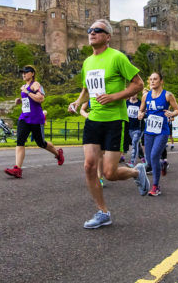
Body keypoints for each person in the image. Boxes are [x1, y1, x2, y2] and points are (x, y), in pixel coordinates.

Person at [67, 19, 148, 229]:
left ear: (108, 36)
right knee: (89, 166)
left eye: (97, 30)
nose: (92, 33)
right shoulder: (87, 62)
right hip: (94, 120)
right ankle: (103, 212)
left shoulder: (117, 57)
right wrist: (77, 102)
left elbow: (138, 84)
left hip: (115, 121)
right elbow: (86, 90)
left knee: (110, 173)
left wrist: (114, 97)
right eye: (90, 30)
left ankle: (136, 172)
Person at [4, 65, 65, 178]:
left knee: (41, 143)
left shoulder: (36, 85)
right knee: (20, 141)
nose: (23, 74)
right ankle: (17, 169)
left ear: (32, 73)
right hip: (24, 117)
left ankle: (58, 154)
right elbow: (29, 100)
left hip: (36, 118)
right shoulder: (24, 86)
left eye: (26, 72)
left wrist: (26, 92)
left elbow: (40, 99)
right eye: (22, 72)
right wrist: (21, 100)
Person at [138, 72, 178, 196]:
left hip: (162, 131)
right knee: (150, 161)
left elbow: (177, 110)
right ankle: (162, 164)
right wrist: (140, 114)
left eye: (155, 79)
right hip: (149, 131)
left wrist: (172, 114)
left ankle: (156, 186)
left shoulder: (168, 95)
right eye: (150, 79)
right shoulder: (146, 96)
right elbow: (141, 110)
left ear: (161, 81)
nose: (152, 81)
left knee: (155, 155)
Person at [126, 93, 144, 167]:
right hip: (128, 127)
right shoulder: (126, 103)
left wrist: (142, 114)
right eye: (132, 93)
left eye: (135, 93)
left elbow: (145, 111)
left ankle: (132, 162)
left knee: (134, 143)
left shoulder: (140, 103)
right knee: (134, 144)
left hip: (138, 128)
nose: (133, 95)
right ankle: (144, 158)